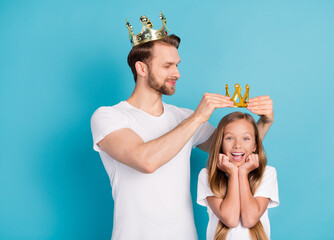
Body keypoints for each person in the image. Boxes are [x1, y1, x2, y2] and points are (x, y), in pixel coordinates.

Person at [91, 13, 274, 240]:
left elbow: (234, 151)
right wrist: (197, 118)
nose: (177, 73)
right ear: (141, 68)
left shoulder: (183, 117)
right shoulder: (109, 116)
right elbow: (146, 161)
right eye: (167, 66)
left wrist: (264, 123)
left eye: (177, 65)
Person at [197, 112, 279, 240]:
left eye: (245, 138)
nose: (237, 145)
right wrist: (233, 172)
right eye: (229, 138)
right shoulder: (208, 175)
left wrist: (243, 173)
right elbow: (230, 219)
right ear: (220, 144)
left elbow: (249, 219)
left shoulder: (267, 173)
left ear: (255, 146)